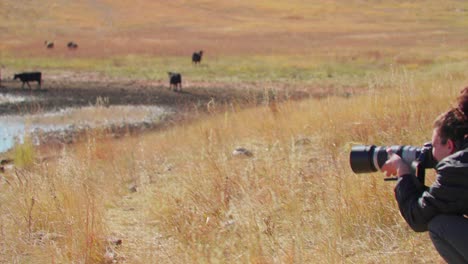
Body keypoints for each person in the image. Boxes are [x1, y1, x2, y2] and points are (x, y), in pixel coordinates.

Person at [382, 88, 468, 264]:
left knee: (440, 225)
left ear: (450, 145)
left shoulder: (457, 168)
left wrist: (404, 174)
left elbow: (418, 217)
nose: (432, 153)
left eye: (435, 146)